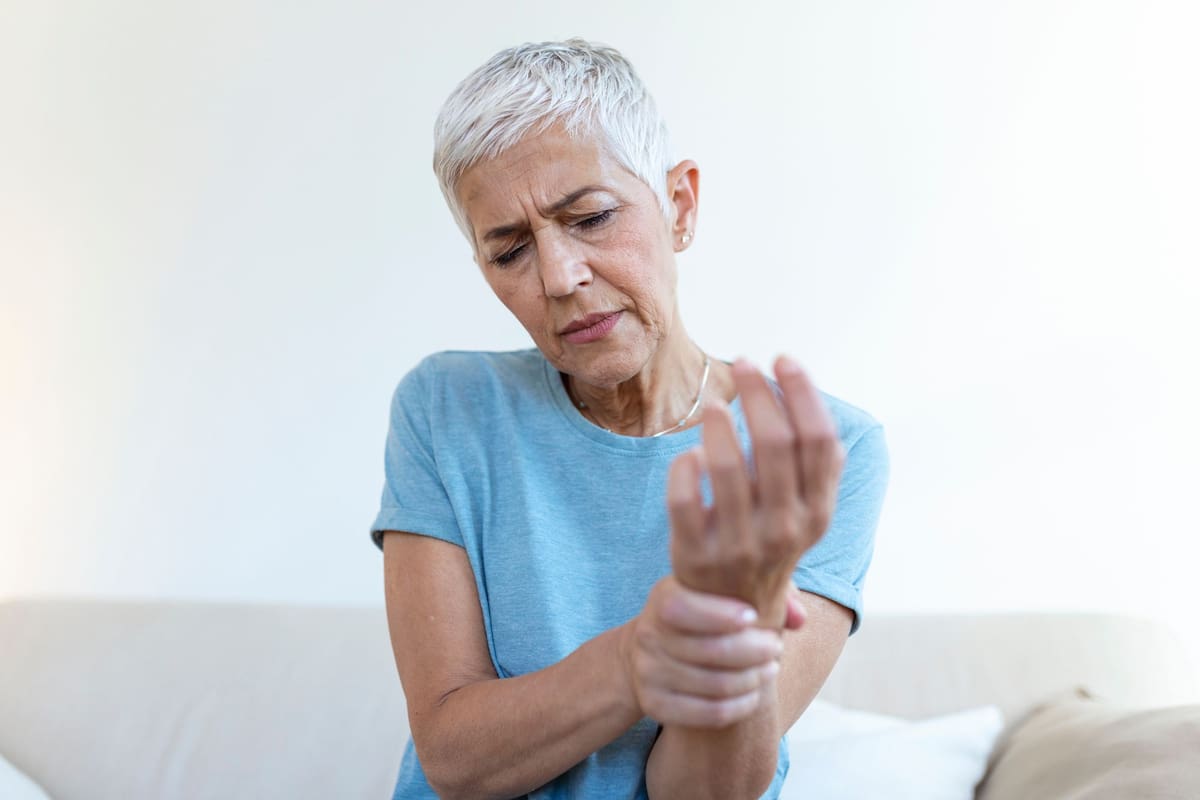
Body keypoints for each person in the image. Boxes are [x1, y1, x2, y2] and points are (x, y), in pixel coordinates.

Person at [370, 38, 889, 800]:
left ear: (679, 205)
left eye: (591, 217)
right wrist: (639, 658)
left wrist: (740, 611)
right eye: (510, 251)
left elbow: (700, 792)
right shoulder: (446, 410)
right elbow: (455, 758)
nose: (559, 276)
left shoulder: (825, 452)